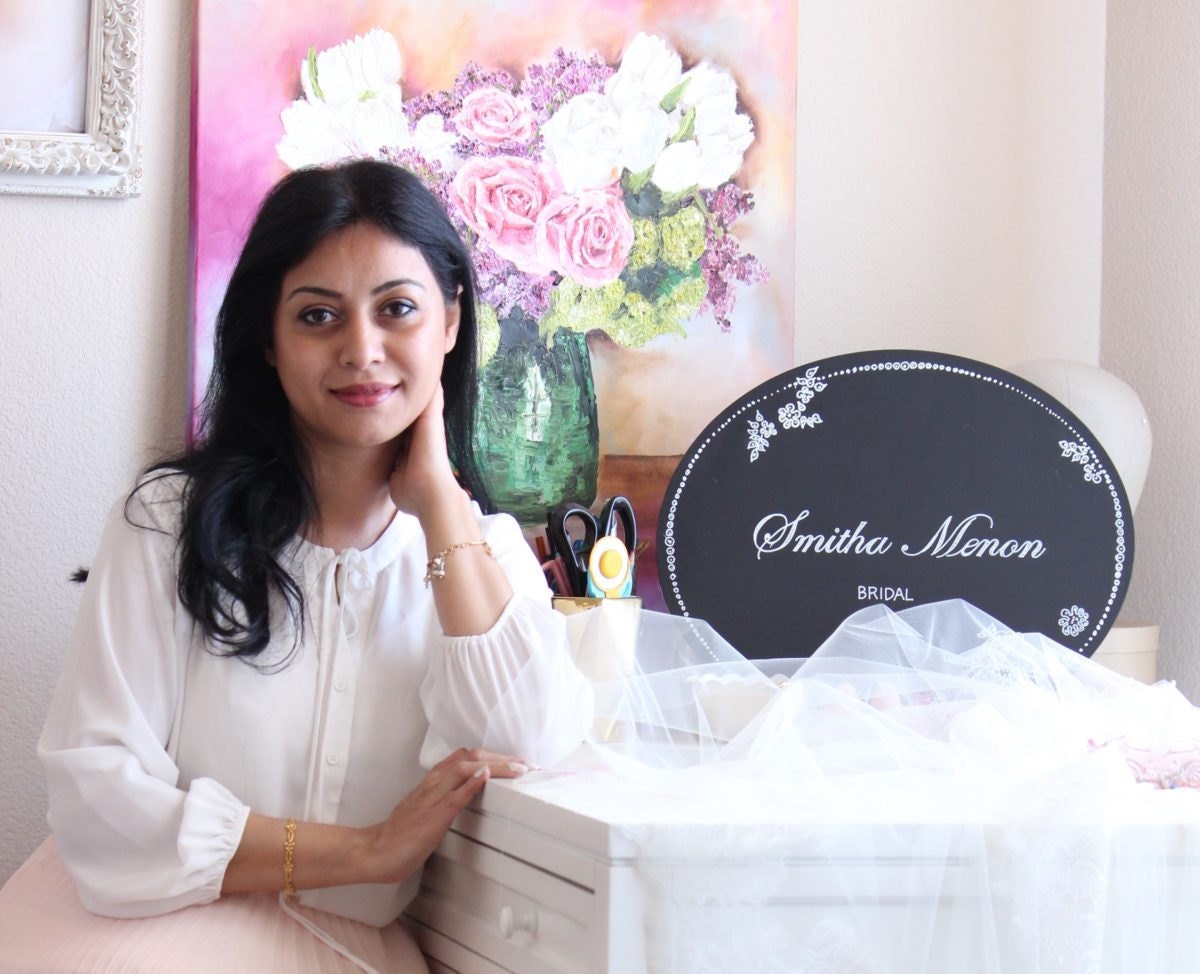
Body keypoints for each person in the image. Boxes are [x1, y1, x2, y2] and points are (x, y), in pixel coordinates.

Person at [4, 159, 592, 972]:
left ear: (450, 323)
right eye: (318, 316)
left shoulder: (479, 560)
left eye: (398, 310)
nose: (362, 349)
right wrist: (361, 854)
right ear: (270, 343)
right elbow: (98, 801)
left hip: (346, 951)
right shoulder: (170, 523)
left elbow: (534, 743)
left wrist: (439, 503)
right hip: (128, 937)